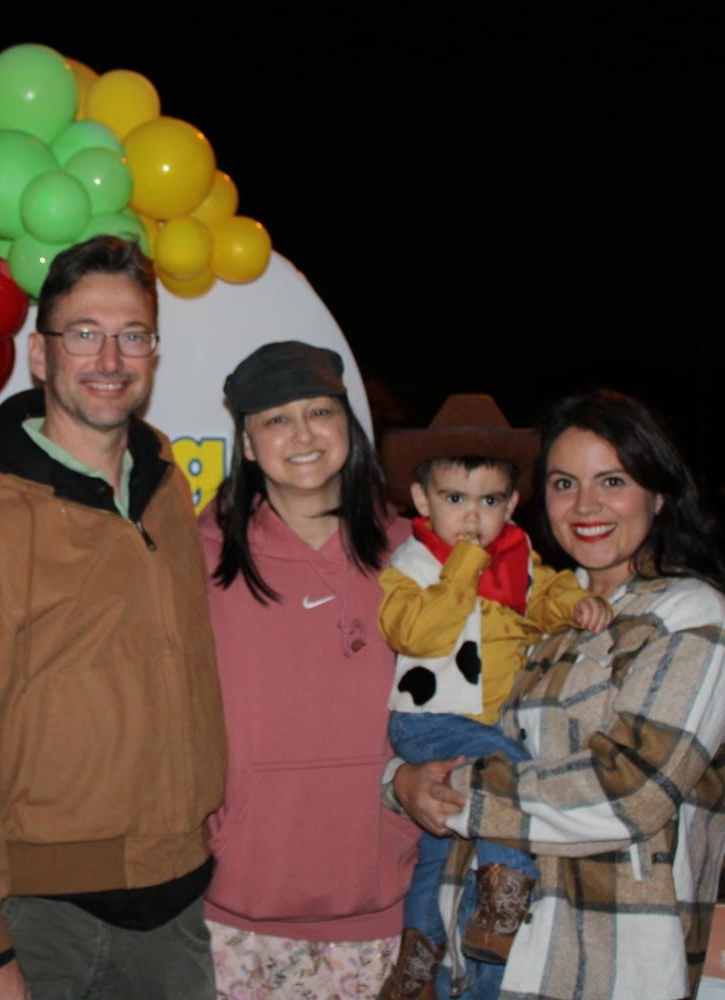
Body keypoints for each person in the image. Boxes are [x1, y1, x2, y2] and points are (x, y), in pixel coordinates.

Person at [0, 236, 226, 1000]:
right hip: (32, 922)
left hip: (175, 908)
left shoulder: (162, 484)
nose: (110, 358)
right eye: (83, 334)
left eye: (132, 335)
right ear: (40, 356)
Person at [391, 389, 725, 1000]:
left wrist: (451, 791)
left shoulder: (691, 620)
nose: (585, 505)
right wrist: (401, 781)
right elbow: (453, 715)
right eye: (564, 483)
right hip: (483, 964)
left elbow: (630, 790)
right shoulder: (539, 607)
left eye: (612, 480)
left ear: (658, 493)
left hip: (602, 971)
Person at [201, 340, 422, 999]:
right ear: (246, 445)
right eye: (274, 419)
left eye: (320, 411)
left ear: (349, 430)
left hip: (381, 898)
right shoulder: (197, 554)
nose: (301, 434)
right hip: (237, 906)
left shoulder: (416, 554)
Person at [374, 395, 610, 999]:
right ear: (423, 499)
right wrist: (466, 566)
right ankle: (505, 893)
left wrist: (571, 604)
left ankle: (417, 963)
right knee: (509, 775)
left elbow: (544, 594)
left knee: (433, 851)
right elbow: (416, 632)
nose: (471, 517)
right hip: (431, 723)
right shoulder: (414, 562)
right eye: (455, 499)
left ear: (511, 502)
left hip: (473, 724)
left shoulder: (517, 558)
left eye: (488, 501)